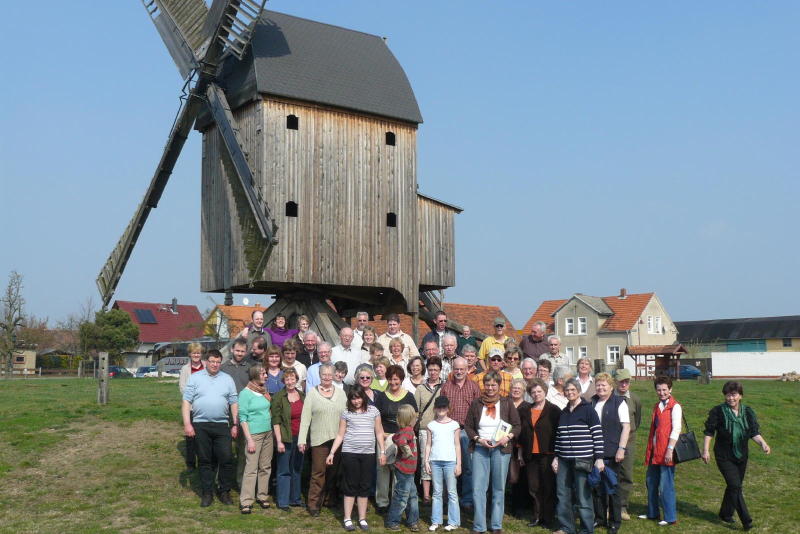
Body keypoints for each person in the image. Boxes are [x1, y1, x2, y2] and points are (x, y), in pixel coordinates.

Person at [702, 381, 771, 531]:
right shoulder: (718, 411)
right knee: (735, 486)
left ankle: (725, 514)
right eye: (727, 395)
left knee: (733, 486)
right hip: (723, 456)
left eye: (733, 394)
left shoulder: (747, 412)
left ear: (740, 396)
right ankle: (746, 520)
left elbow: (753, 432)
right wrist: (706, 450)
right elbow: (709, 432)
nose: (730, 398)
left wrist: (763, 444)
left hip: (741, 456)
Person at [464, 371, 522, 534]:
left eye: (493, 385)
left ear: (499, 385)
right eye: (487, 384)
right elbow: (468, 426)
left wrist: (507, 437)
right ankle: (479, 526)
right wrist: (478, 439)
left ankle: (496, 525)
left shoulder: (507, 403)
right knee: (478, 488)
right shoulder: (476, 404)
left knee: (498, 487)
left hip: (501, 449)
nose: (490, 388)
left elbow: (517, 425)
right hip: (481, 449)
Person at [182, 349, 239, 507]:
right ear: (206, 362)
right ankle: (207, 493)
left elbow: (233, 401)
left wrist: (235, 424)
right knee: (205, 460)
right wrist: (188, 424)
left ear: (221, 363)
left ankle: (224, 490)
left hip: (222, 425)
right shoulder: (195, 378)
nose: (215, 364)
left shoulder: (227, 379)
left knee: (226, 459)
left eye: (218, 362)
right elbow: (186, 402)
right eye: (212, 361)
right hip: (201, 424)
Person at [327, 386, 386, 531]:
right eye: (353, 398)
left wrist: (383, 452)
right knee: (350, 486)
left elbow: (379, 432)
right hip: (350, 453)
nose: (356, 401)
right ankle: (347, 518)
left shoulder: (374, 411)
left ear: (363, 397)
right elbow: (340, 435)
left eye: (358, 397)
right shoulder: (346, 413)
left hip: (368, 454)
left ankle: (362, 518)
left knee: (364, 486)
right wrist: (332, 453)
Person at [553, 378, 605, 534]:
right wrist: (556, 457)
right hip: (563, 459)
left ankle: (586, 529)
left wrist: (599, 457)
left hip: (583, 458)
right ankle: (566, 528)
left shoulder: (588, 410)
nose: (569, 393)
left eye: (572, 390)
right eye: (567, 390)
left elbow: (597, 434)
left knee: (583, 496)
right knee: (562, 494)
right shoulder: (563, 412)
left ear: (578, 391)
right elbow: (558, 436)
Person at [298, 362, 347, 517]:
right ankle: (313, 503)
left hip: (337, 439)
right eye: (323, 374)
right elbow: (305, 418)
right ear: (319, 376)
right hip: (319, 440)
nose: (327, 377)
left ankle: (329, 499)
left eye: (329, 374)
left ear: (334, 375)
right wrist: (302, 439)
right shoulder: (312, 393)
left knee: (334, 472)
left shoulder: (341, 394)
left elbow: (346, 416)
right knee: (318, 472)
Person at [374, 365, 419, 513]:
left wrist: (407, 434)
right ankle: (382, 502)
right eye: (390, 379)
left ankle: (397, 501)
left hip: (402, 439)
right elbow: (377, 418)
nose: (393, 383)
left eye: (396, 380)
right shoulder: (381, 396)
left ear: (401, 380)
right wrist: (382, 435)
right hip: (385, 437)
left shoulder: (409, 396)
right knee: (382, 470)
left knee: (398, 471)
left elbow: (414, 417)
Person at [517, 378, 561, 529]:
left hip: (548, 453)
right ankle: (537, 516)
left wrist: (557, 455)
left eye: (539, 391)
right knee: (534, 487)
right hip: (530, 455)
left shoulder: (554, 410)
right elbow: (520, 433)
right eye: (533, 392)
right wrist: (520, 453)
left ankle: (548, 518)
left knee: (548, 487)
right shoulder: (524, 410)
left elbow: (558, 433)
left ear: (545, 392)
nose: (536, 394)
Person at [591, 373, 630, 534]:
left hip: (613, 452)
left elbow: (626, 427)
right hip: (595, 452)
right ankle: (600, 518)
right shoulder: (592, 402)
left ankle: (615, 521)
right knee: (597, 487)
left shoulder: (619, 402)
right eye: (598, 385)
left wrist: (621, 448)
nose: (600, 388)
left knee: (613, 487)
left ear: (611, 387)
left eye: (604, 385)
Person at [439, 356, 480, 511]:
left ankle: (467, 499)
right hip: (449, 430)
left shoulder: (474, 387)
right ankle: (450, 498)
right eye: (456, 369)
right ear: (452, 369)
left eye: (462, 369)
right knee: (449, 466)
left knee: (468, 467)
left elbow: (478, 411)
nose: (459, 372)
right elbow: (441, 410)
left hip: (467, 431)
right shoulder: (446, 387)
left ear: (467, 370)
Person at [640, 375, 681, 526]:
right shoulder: (657, 406)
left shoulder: (675, 406)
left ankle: (670, 517)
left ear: (670, 389)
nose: (662, 392)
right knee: (651, 482)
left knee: (666, 485)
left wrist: (670, 449)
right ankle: (652, 513)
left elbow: (676, 429)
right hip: (654, 451)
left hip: (666, 451)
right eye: (659, 390)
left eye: (665, 389)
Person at [238, 364, 274, 514]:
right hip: (254, 435)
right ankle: (246, 500)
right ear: (254, 376)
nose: (266, 376)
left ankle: (262, 496)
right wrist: (250, 440)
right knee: (251, 468)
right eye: (263, 374)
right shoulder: (245, 393)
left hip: (268, 433)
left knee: (265, 467)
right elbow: (243, 418)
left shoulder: (264, 391)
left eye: (266, 373)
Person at [425, 396, 461, 532]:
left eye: (444, 407)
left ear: (448, 409)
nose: (441, 410)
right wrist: (426, 461)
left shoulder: (454, 425)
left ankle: (454, 521)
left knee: (452, 492)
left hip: (451, 462)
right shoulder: (431, 425)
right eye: (439, 407)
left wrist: (459, 464)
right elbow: (428, 445)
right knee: (437, 492)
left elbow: (457, 445)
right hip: (435, 462)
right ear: (435, 409)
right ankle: (436, 520)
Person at [271, 367, 305, 511]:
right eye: (287, 379)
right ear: (283, 381)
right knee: (284, 470)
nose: (290, 381)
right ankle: (283, 501)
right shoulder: (279, 397)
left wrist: (304, 439)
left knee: (296, 469)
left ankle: (295, 498)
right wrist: (279, 441)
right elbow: (276, 421)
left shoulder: (303, 395)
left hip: (300, 437)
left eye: (292, 379)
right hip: (285, 437)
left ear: (296, 380)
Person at [220, 337, 252, 488]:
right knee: (225, 452)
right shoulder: (223, 367)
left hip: (245, 415)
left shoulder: (250, 367)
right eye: (237, 350)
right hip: (225, 415)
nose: (239, 353)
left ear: (246, 352)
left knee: (242, 452)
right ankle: (223, 483)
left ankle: (241, 483)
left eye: (242, 351)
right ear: (232, 350)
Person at [386, 405, 421, 531]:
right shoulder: (408, 431)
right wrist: (407, 451)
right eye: (414, 416)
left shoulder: (402, 430)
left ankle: (413, 521)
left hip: (408, 470)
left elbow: (396, 437)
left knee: (412, 495)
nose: (416, 418)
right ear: (410, 418)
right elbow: (400, 440)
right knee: (402, 496)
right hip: (405, 469)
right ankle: (392, 521)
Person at [415, 356, 444, 503]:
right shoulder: (420, 388)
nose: (433, 372)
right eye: (431, 369)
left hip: (441, 429)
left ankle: (437, 492)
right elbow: (416, 410)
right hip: (424, 429)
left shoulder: (444, 387)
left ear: (440, 371)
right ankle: (426, 494)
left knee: (439, 459)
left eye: (436, 370)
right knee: (425, 459)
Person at [614, 368, 642, 521]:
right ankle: (608, 505)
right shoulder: (610, 397)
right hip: (611, 440)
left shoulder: (635, 399)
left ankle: (623, 506)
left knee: (626, 474)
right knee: (610, 473)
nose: (624, 384)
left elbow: (636, 421)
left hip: (629, 441)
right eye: (621, 381)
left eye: (627, 381)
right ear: (615, 382)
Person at [179, 342, 205, 471]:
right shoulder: (185, 369)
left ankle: (203, 460)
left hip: (205, 406)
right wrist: (193, 398)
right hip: (190, 407)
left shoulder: (206, 366)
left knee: (203, 435)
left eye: (198, 353)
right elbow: (183, 387)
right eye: (194, 353)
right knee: (191, 435)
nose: (196, 355)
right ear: (190, 354)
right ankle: (190, 463)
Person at [507, 377, 530, 519]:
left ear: (523, 391)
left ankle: (519, 507)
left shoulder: (527, 407)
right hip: (504, 443)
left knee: (519, 477)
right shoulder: (505, 403)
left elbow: (526, 429)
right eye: (514, 388)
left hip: (520, 446)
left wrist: (521, 448)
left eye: (519, 388)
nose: (516, 390)